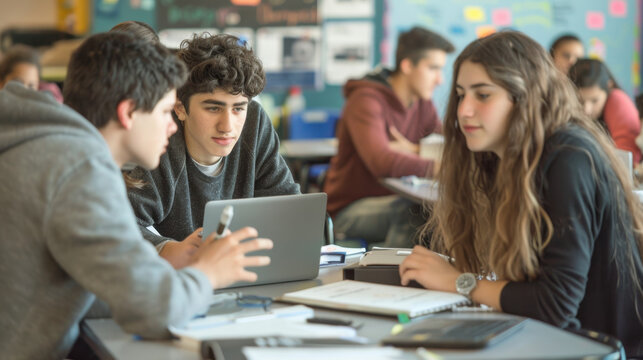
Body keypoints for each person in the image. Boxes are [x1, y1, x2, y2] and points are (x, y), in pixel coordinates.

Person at [0, 32, 273, 358]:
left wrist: (155, 272)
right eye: (163, 112)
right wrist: (207, 272)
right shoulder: (79, 169)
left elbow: (101, 290)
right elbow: (154, 312)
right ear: (128, 112)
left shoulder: (46, 145)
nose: (172, 127)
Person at [399, 30, 643, 357]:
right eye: (460, 95)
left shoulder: (569, 157)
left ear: (524, 97)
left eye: (483, 95)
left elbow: (555, 304)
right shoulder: (509, 157)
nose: (464, 111)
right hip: (554, 338)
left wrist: (459, 282)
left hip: (602, 349)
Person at [126, 33, 299, 267]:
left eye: (238, 109)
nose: (227, 127)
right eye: (213, 109)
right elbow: (120, 225)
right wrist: (168, 249)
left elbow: (289, 208)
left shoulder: (255, 122)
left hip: (247, 275)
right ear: (180, 108)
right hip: (176, 280)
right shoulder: (158, 137)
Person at [323, 26, 454, 248]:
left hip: (395, 197)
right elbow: (382, 161)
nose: (440, 80)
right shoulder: (366, 100)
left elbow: (450, 142)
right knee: (413, 212)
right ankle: (391, 280)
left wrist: (414, 150)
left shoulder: (423, 103)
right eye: (433, 68)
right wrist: (442, 168)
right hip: (347, 209)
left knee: (443, 213)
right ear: (407, 66)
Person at [569, 58, 642, 164]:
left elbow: (627, 159)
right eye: (580, 101)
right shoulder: (566, 104)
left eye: (594, 100)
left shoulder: (617, 99)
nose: (586, 110)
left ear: (609, 86)